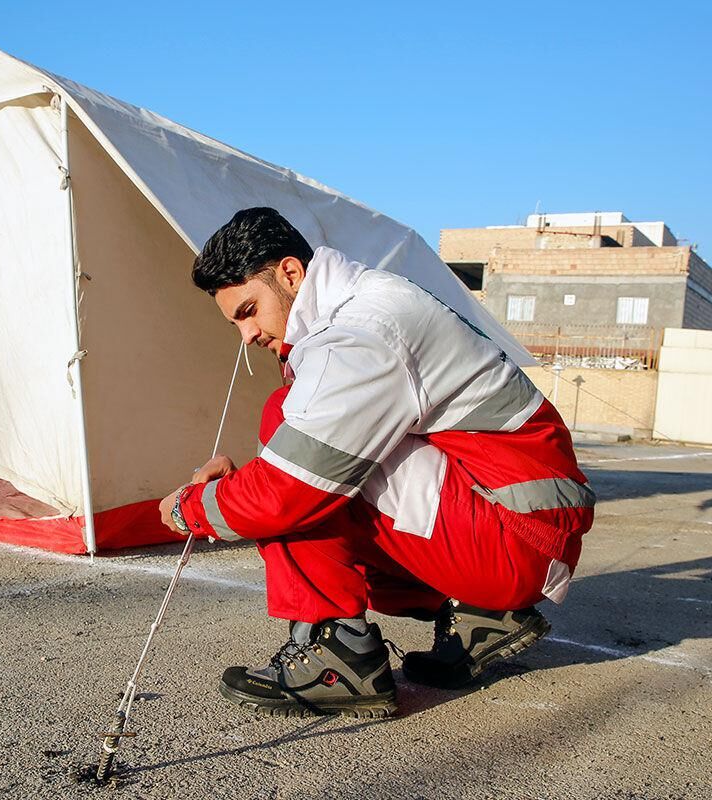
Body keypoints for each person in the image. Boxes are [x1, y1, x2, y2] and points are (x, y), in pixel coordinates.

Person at [159, 208, 594, 718]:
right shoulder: (362, 305)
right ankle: (484, 611)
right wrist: (248, 486)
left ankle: (339, 656)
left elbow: (288, 491)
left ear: (291, 274)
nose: (247, 334)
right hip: (520, 524)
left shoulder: (361, 331)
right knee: (305, 454)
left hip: (516, 537)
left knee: (294, 450)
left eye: (249, 309)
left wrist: (193, 507)